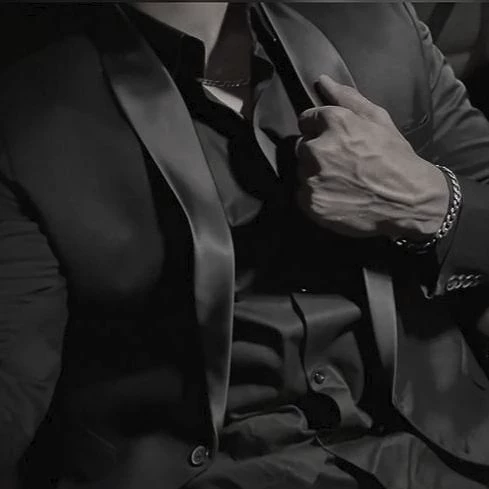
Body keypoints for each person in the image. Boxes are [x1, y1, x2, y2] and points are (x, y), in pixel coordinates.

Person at [1, 2, 489, 488]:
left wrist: (430, 202)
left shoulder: (375, 21)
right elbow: (14, 380)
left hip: (436, 449)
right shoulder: (27, 108)